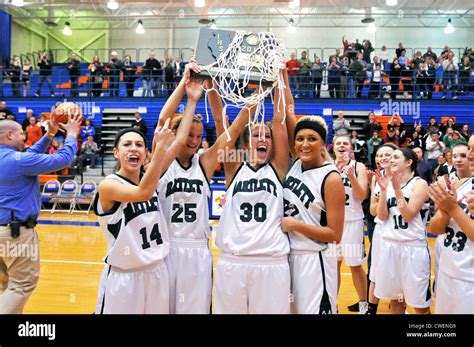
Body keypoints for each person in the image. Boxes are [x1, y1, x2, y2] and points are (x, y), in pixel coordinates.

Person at [93, 76, 201, 314]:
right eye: (127, 145)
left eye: (139, 145)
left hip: (157, 272)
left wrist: (190, 97)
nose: (134, 149)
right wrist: (160, 149)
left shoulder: (150, 176)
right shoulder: (109, 185)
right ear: (116, 152)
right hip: (125, 276)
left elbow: (179, 138)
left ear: (145, 152)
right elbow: (143, 193)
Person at [156, 65, 259, 314]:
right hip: (165, 249)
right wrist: (186, 85)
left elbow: (230, 132)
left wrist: (257, 98)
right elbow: (163, 121)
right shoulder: (160, 162)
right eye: (188, 134)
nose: (193, 140)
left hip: (197, 251)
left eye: (198, 136)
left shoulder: (204, 162)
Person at [214, 71, 292, 314]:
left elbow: (279, 119)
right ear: (247, 143)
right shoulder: (234, 166)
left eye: (266, 136)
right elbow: (226, 126)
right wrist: (257, 94)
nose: (263, 138)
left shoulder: (278, 169)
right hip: (233, 261)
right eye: (256, 135)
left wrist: (280, 76)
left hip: (271, 262)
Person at [0, 111, 82, 313]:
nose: (25, 137)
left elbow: (29, 156)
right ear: (9, 135)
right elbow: (63, 159)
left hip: (3, 233)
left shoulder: (14, 159)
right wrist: (71, 134)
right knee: (21, 286)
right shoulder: (19, 161)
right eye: (21, 134)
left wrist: (50, 134)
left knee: (5, 287)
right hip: (15, 235)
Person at [282, 115, 345, 314]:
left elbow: (335, 234)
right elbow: (287, 112)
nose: (305, 144)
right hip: (288, 257)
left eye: (312, 139)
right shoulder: (296, 164)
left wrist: (295, 226)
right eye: (300, 139)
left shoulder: (331, 177)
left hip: (315, 261)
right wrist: (282, 83)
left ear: (323, 144)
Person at [374, 148, 431, 314]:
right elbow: (382, 216)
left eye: (395, 157)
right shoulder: (389, 183)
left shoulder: (419, 184)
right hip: (390, 246)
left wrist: (397, 189)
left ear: (408, 162)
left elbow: (407, 215)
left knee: (420, 306)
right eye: (390, 157)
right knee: (396, 300)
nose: (391, 160)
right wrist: (384, 191)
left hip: (412, 247)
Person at [429, 136, 474, 314]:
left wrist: (454, 209)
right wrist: (447, 208)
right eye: (470, 149)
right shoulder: (461, 184)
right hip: (448, 271)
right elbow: (434, 228)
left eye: (471, 151)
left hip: (469, 279)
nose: (470, 156)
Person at [333, 135, 369, 314]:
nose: (342, 145)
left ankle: (364, 304)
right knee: (333, 266)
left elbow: (362, 196)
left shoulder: (359, 167)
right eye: (338, 143)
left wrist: (352, 177)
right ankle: (333, 304)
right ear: (333, 148)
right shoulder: (327, 166)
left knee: (355, 266)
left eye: (345, 143)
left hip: (353, 222)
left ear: (350, 148)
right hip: (332, 224)